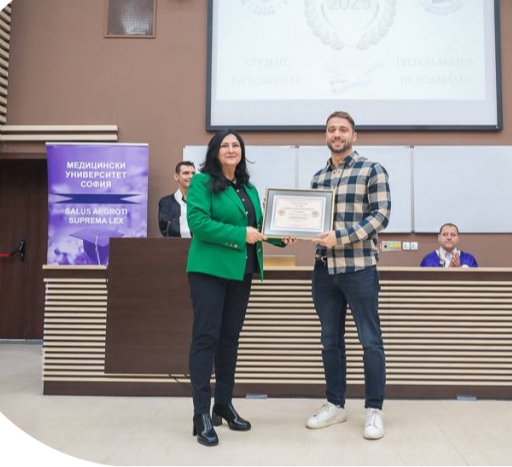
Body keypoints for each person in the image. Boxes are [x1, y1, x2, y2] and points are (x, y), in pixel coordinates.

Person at [186, 130, 292, 447]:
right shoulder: (202, 182)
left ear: (242, 152)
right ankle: (201, 414)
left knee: (230, 340)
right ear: (215, 151)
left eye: (236, 145)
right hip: (208, 272)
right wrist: (239, 234)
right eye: (225, 145)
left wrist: (282, 236)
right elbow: (198, 224)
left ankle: (223, 404)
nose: (231, 149)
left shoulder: (248, 187)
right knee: (206, 339)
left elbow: (257, 229)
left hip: (241, 272)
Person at [306, 111, 391, 440]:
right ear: (326, 136)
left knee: (370, 341)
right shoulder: (318, 177)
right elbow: (312, 221)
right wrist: (291, 231)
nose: (337, 134)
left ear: (354, 136)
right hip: (324, 270)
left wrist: (340, 237)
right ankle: (335, 405)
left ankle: (374, 409)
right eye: (331, 129)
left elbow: (380, 215)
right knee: (330, 341)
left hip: (359, 268)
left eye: (343, 129)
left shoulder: (372, 169)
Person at [158, 161, 196, 238]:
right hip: (174, 244)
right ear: (176, 176)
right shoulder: (166, 202)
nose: (191, 176)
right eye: (186, 173)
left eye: (193, 173)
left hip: (199, 244)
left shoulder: (202, 201)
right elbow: (165, 229)